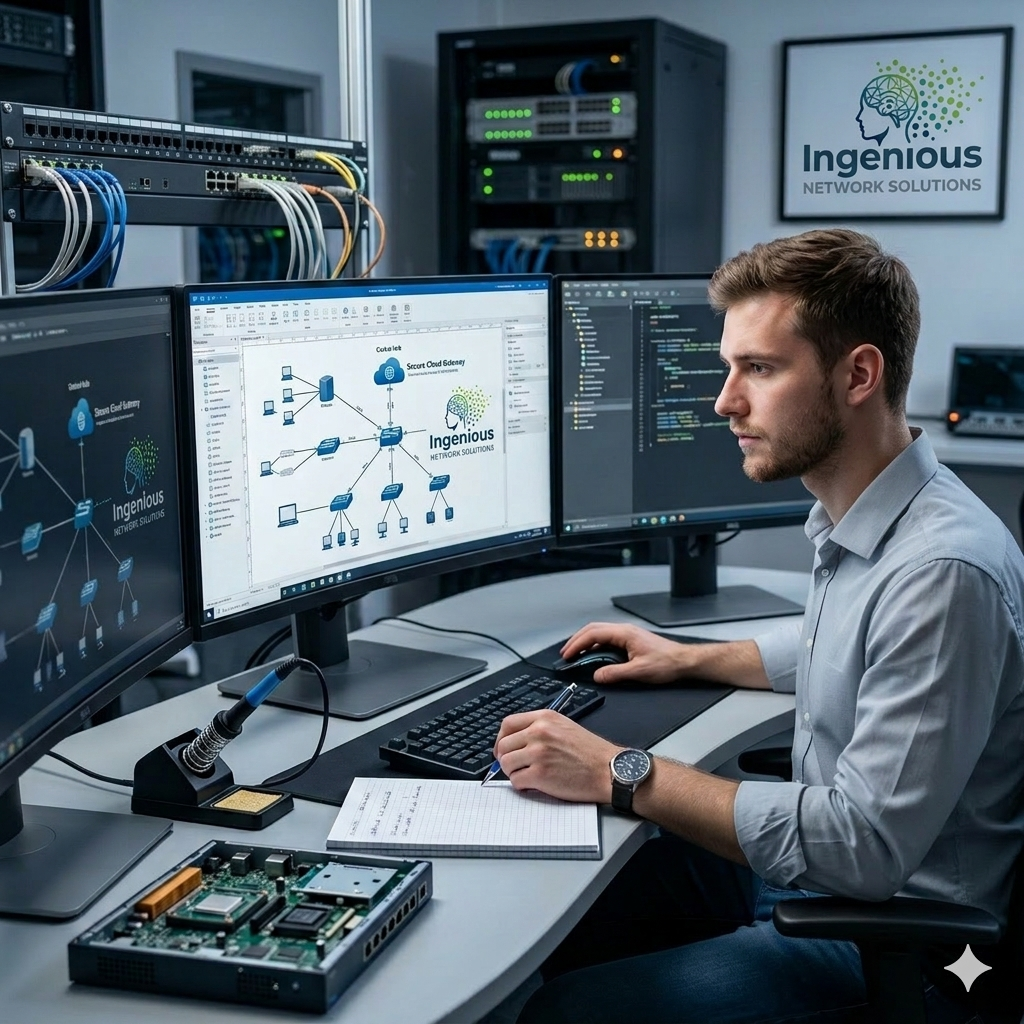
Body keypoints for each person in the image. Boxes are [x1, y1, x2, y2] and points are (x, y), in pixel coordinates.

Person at [505, 229, 1024, 1024]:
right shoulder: (878, 516)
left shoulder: (941, 571)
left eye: (761, 369)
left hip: (895, 937)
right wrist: (688, 659)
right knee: (575, 905)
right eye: (729, 367)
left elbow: (864, 846)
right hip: (825, 880)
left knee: (564, 1012)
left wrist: (621, 771)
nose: (725, 401)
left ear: (858, 374)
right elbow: (850, 649)